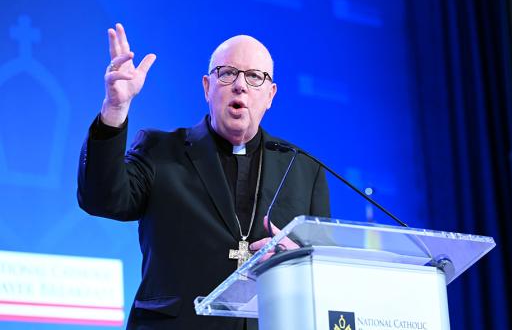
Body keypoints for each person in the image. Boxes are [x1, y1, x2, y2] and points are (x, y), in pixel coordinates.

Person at [77, 23, 330, 329]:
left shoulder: (303, 168)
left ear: (270, 94)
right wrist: (116, 108)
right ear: (207, 87)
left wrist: (302, 262)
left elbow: (321, 272)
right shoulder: (160, 150)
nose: (240, 85)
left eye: (254, 76)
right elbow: (101, 199)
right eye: (227, 73)